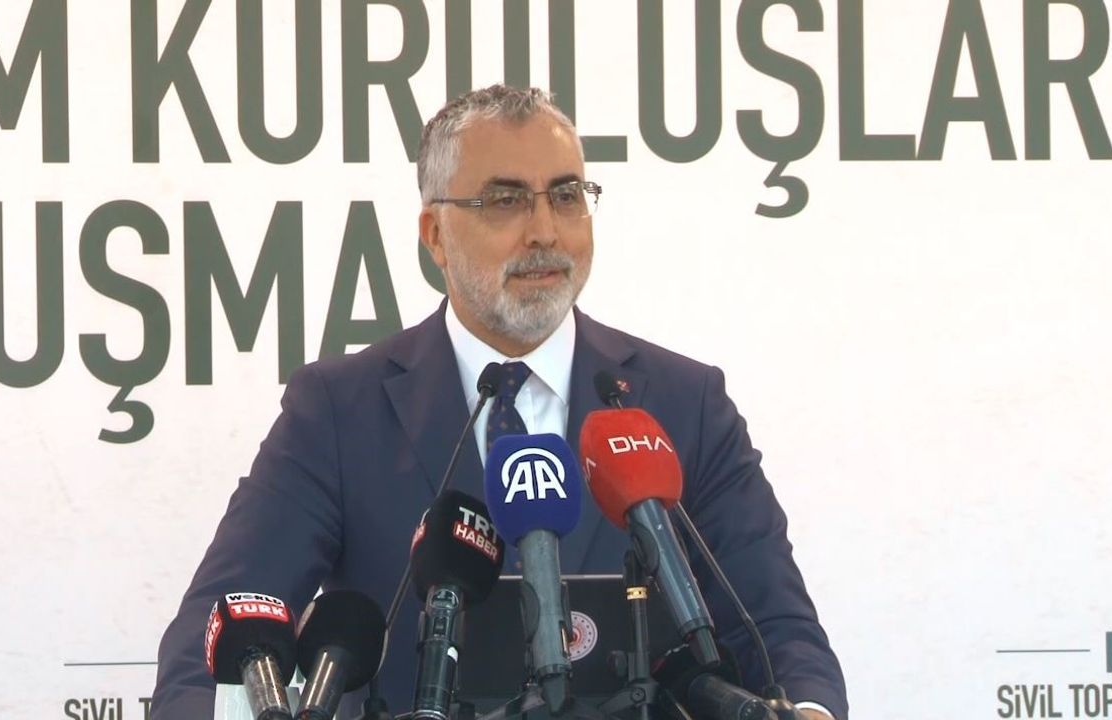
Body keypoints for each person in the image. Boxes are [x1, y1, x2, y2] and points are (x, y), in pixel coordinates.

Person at [152, 84, 847, 720]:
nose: (545, 231)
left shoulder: (683, 402)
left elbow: (778, 634)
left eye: (566, 196)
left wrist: (809, 710)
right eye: (506, 201)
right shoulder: (337, 411)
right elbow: (214, 639)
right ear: (435, 235)